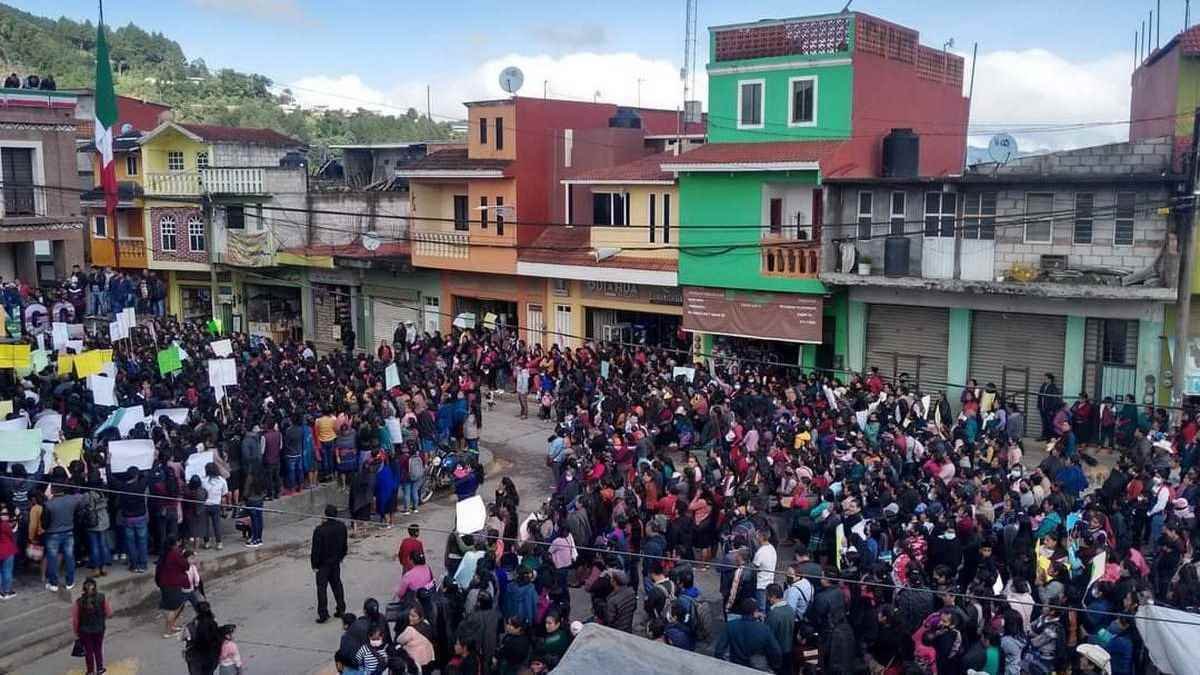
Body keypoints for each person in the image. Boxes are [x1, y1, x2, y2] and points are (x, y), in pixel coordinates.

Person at [42, 471, 86, 591]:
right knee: (69, 557)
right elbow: (81, 498)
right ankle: (70, 582)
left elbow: (44, 524)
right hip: (69, 532)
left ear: (53, 490)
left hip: (52, 534)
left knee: (52, 559)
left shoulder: (48, 504)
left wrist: (46, 498)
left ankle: (54, 583)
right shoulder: (73, 500)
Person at [713, 597, 783, 671]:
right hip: (756, 668)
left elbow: (719, 651)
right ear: (755, 612)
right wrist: (774, 666)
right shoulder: (764, 629)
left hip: (735, 666)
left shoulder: (730, 625)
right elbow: (776, 651)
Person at [311, 504, 348, 623]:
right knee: (337, 584)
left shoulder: (320, 530)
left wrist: (314, 564)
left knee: (322, 588)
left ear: (325, 515)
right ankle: (341, 608)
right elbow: (344, 544)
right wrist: (341, 556)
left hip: (323, 564)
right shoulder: (341, 527)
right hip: (335, 561)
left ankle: (323, 613)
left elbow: (316, 550)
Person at [72, 577, 113, 675]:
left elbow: (75, 619)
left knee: (88, 651)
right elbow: (109, 613)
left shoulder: (78, 602)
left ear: (83, 589)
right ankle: (100, 670)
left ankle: (90, 671)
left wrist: (76, 632)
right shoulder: (102, 598)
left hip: (84, 631)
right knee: (98, 649)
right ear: (95, 587)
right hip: (99, 629)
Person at [157, 537, 190, 638]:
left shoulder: (165, 553)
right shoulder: (175, 553)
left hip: (164, 583)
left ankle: (172, 626)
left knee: (173, 606)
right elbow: (185, 565)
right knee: (173, 607)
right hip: (172, 583)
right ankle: (168, 631)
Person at [182, 601, 222, 675]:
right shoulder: (213, 622)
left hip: (196, 656)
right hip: (211, 655)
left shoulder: (191, 626)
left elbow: (185, 638)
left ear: (196, 611)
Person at [201, 463, 229, 551]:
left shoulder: (203, 481)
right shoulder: (222, 480)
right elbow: (224, 495)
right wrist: (224, 509)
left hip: (205, 505)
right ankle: (219, 543)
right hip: (216, 505)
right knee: (216, 525)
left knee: (205, 525)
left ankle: (206, 543)